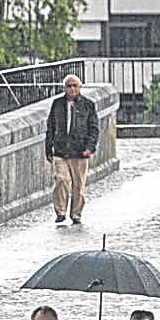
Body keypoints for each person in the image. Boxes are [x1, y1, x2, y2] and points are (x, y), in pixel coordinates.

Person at [43, 73, 103, 227]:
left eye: (74, 86)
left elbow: (94, 128)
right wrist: (48, 148)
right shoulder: (57, 104)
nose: (71, 89)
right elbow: (50, 126)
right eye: (69, 86)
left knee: (78, 186)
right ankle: (61, 212)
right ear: (64, 88)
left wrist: (90, 147)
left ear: (79, 88)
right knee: (61, 179)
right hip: (61, 150)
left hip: (79, 151)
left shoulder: (88, 105)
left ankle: (76, 214)